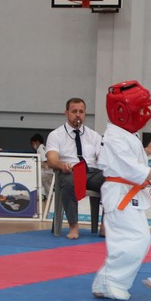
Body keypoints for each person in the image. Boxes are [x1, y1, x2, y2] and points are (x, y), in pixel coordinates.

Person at [92, 80, 151, 301]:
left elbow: (130, 159)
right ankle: (111, 282)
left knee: (129, 240)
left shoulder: (124, 133)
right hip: (120, 194)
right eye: (139, 109)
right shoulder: (114, 137)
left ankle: (105, 282)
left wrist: (148, 153)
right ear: (123, 112)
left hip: (127, 194)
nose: (144, 114)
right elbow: (131, 169)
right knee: (135, 240)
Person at [45, 98, 105, 240]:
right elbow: (52, 160)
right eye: (74, 111)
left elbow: (103, 158)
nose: (78, 115)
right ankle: (73, 226)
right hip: (69, 171)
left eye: (81, 112)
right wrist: (62, 166)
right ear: (66, 113)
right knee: (70, 181)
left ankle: (105, 224)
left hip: (91, 172)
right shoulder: (56, 135)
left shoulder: (94, 136)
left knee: (112, 180)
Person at [30, 133, 54, 199]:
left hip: (45, 172)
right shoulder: (44, 148)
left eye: (32, 144)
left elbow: (45, 161)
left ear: (37, 142)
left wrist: (36, 164)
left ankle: (41, 195)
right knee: (48, 187)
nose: (32, 146)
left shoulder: (40, 149)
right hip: (48, 172)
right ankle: (48, 198)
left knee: (39, 183)